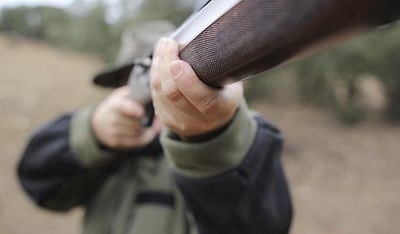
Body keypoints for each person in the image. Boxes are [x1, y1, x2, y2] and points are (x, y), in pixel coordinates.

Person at [17, 21, 292, 234]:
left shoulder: (240, 138)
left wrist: (212, 138)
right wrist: (94, 131)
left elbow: (263, 223)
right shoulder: (105, 150)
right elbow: (36, 178)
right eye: (125, 81)